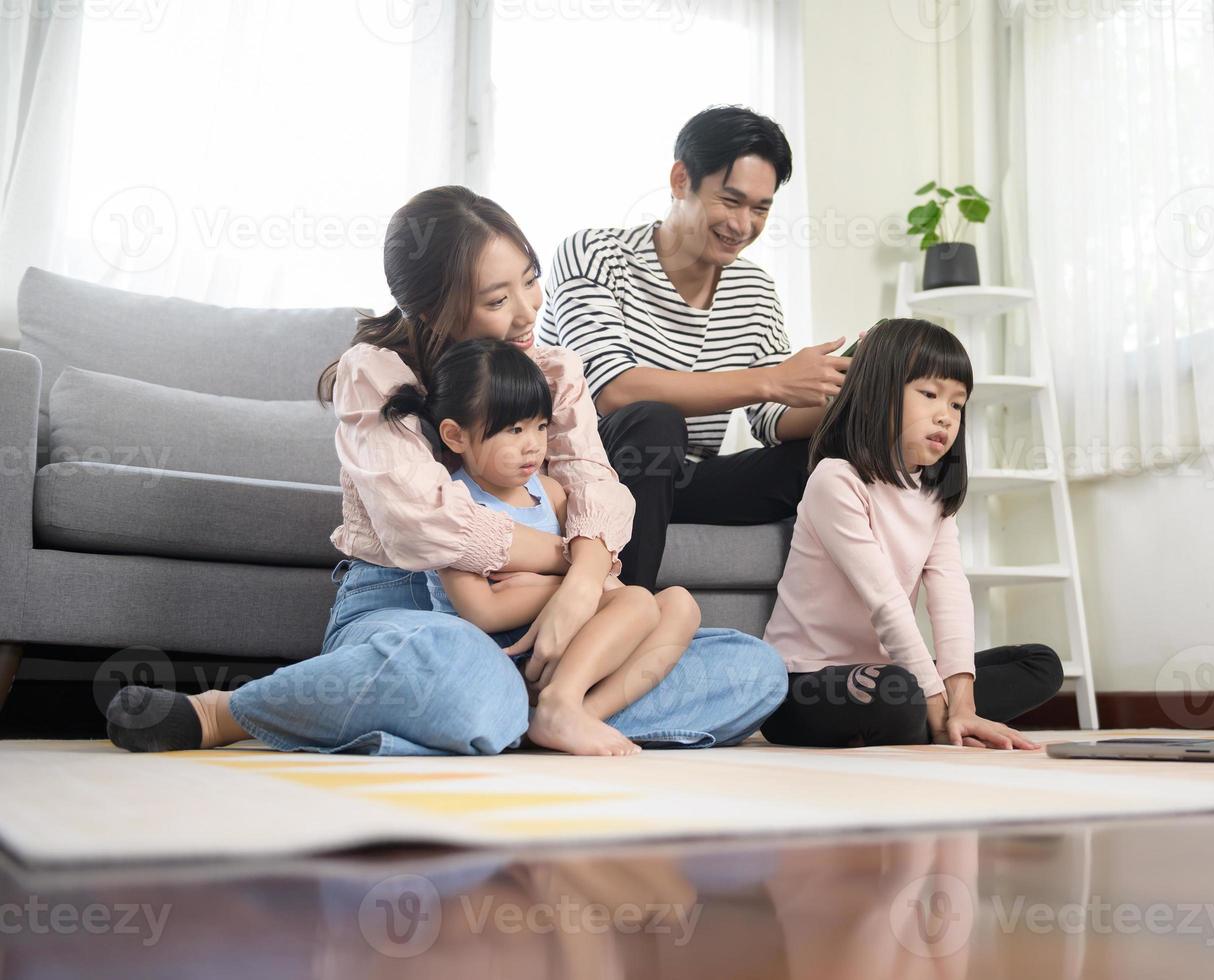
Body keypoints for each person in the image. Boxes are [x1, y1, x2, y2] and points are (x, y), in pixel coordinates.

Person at [105, 185, 787, 755]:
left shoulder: (554, 371)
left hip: (551, 619)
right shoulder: (374, 373)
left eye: (530, 279)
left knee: (753, 668)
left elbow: (593, 485)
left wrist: (581, 587)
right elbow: (421, 525)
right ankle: (231, 711)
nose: (527, 312)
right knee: (460, 672)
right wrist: (565, 560)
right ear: (431, 307)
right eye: (497, 299)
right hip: (409, 607)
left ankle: (541, 709)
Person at [541, 105, 852, 589]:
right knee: (655, 420)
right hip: (595, 468)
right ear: (680, 179)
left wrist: (854, 390)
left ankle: (834, 649)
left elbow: (773, 419)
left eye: (761, 209)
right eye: (730, 201)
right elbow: (614, 390)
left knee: (827, 453)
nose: (744, 224)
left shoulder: (753, 290)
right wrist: (772, 379)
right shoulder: (595, 254)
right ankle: (623, 610)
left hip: (679, 478)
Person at [383, 336, 700, 756]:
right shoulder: (457, 506)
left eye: (540, 426)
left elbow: (602, 580)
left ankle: (576, 711)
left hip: (568, 638)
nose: (533, 444)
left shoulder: (550, 492)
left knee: (680, 604)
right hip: (508, 649)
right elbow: (482, 610)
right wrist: (562, 584)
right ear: (456, 436)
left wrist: (533, 582)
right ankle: (559, 704)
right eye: (514, 430)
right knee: (639, 604)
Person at [759, 318, 1064, 749]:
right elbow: (885, 600)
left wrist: (960, 700)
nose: (946, 415)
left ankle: (952, 719)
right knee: (898, 695)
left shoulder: (934, 495)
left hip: (889, 671)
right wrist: (934, 701)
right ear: (877, 394)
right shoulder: (836, 479)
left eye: (957, 405)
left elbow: (950, 592)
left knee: (1040, 664)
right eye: (929, 394)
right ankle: (932, 720)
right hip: (804, 684)